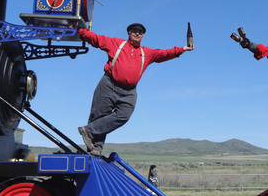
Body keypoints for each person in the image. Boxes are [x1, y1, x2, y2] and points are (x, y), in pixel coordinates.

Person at [77, 23, 194, 155]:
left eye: (140, 32)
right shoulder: (116, 43)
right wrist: (79, 30)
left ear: (142, 37)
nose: (138, 33)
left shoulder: (147, 53)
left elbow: (165, 53)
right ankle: (96, 148)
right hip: (109, 84)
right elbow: (96, 39)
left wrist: (183, 48)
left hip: (129, 91)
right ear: (128, 33)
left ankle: (89, 130)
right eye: (134, 31)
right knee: (99, 115)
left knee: (124, 115)